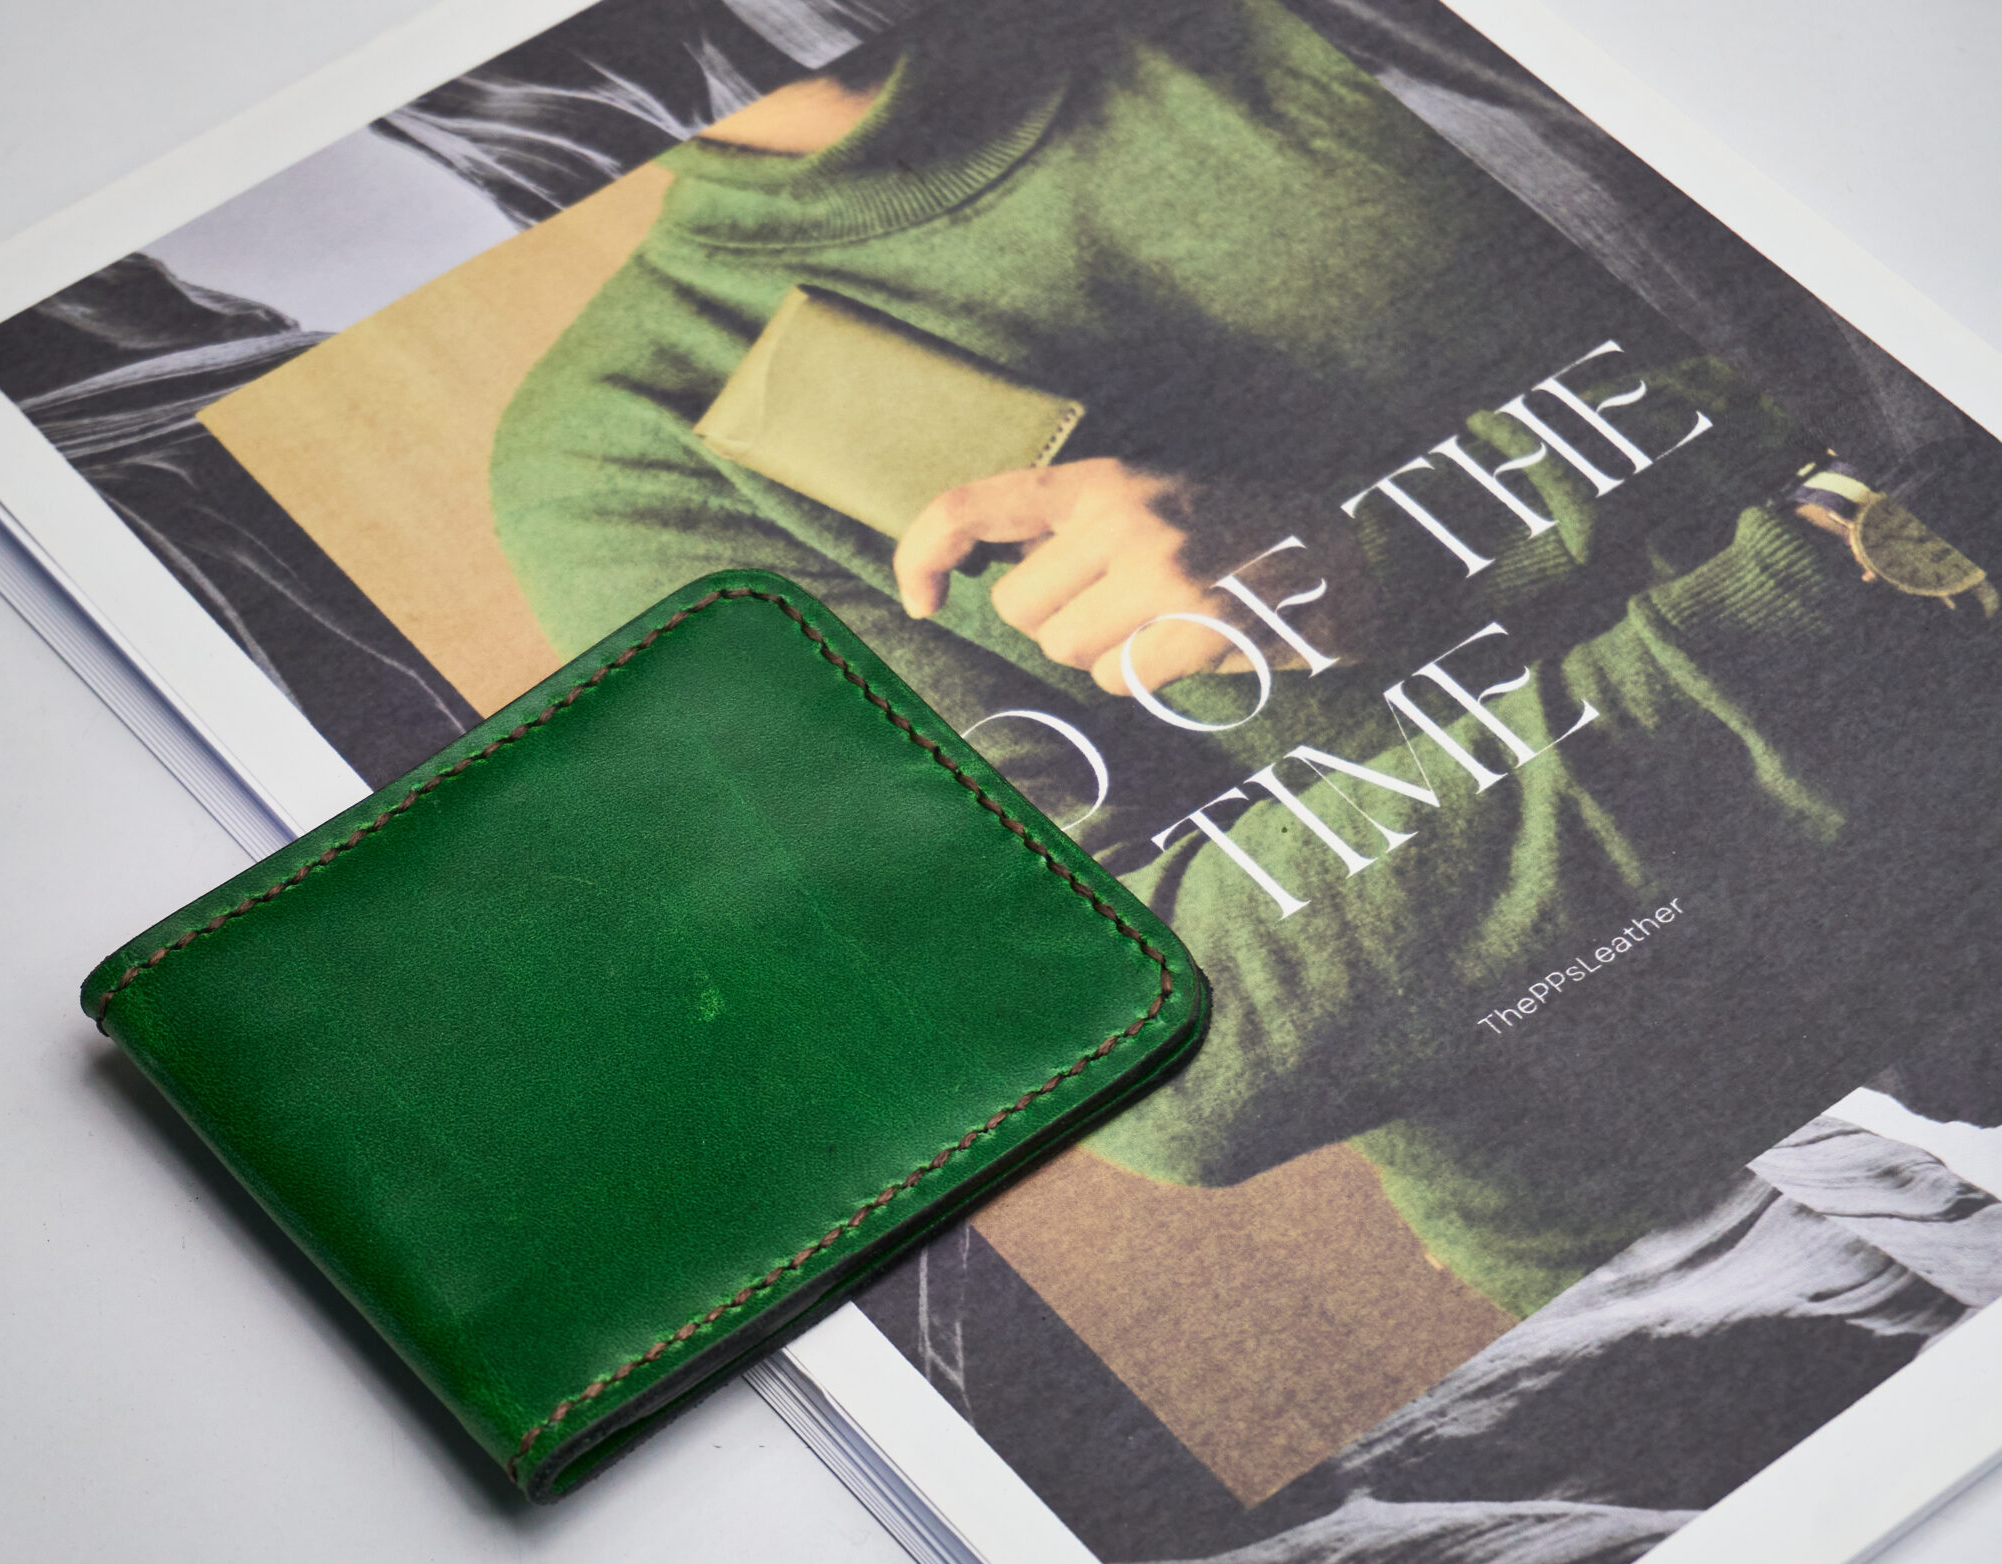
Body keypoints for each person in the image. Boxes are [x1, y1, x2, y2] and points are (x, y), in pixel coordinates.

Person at [487, 0, 2002, 1314]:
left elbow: (1910, 336)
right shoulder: (626, 442)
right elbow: (1159, 1053)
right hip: (1708, 1203)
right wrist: (1843, 571)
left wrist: (1400, 549)